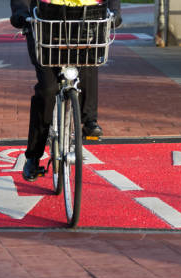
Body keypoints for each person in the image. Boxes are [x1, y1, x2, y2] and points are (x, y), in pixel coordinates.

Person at [10, 0, 121, 181]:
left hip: (85, 25)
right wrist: (21, 13)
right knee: (47, 89)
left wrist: (115, 12)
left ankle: (90, 121)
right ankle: (33, 156)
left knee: (88, 65)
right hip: (44, 30)